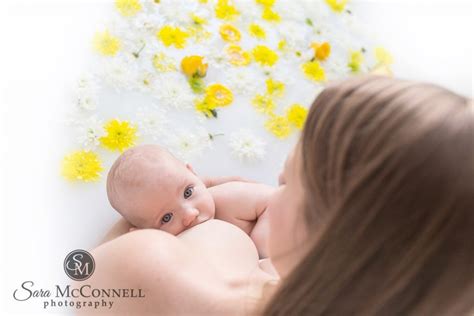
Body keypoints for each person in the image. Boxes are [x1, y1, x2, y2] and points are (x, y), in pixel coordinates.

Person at [75, 75, 473, 316]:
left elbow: (82, 279)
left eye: (284, 183)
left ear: (337, 236)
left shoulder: (145, 263)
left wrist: (140, 225)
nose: (267, 187)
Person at [106, 144, 273, 258]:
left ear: (193, 173)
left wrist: (261, 245)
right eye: (166, 218)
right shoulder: (173, 254)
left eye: (188, 192)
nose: (190, 214)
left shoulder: (227, 197)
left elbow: (274, 200)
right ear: (145, 234)